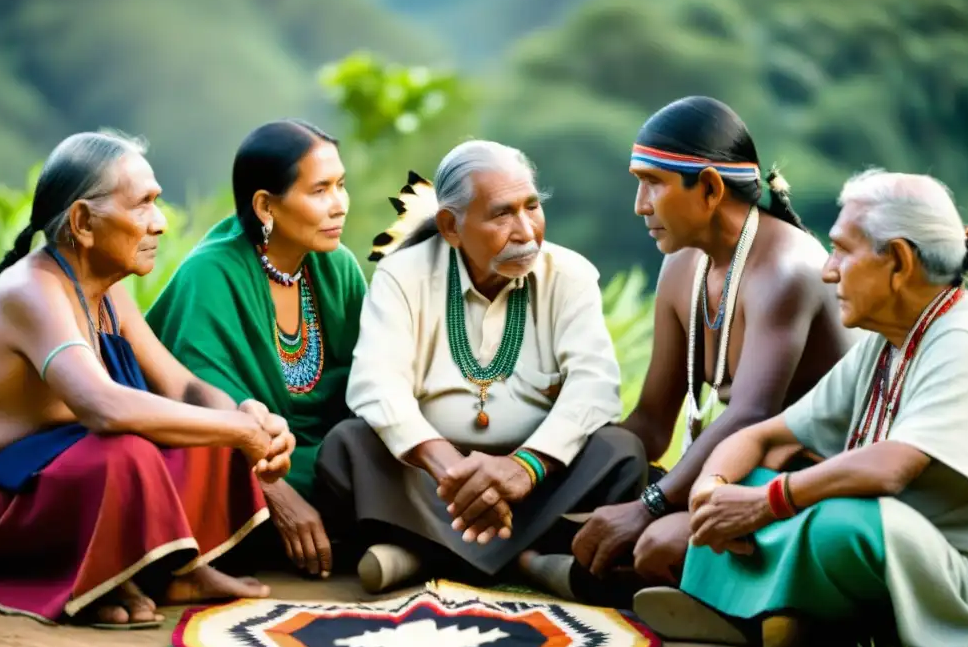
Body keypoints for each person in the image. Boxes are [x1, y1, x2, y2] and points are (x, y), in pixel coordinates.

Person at [633, 169, 968, 647]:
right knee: (766, 484)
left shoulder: (966, 338)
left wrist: (767, 504)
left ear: (897, 261)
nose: (828, 271)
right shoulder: (887, 340)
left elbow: (892, 466)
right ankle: (784, 612)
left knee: (837, 523)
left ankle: (773, 614)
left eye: (843, 251)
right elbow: (766, 437)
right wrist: (712, 489)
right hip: (893, 535)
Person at [0, 132, 295, 628]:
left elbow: (184, 387)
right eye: (144, 204)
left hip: (60, 483)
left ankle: (176, 569)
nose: (161, 223)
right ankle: (86, 578)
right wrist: (238, 432)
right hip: (2, 503)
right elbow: (102, 407)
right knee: (125, 448)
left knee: (201, 423)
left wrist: (245, 415)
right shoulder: (32, 290)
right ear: (83, 222)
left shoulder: (105, 289)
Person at [316, 140, 647, 594]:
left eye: (532, 207)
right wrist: (451, 471)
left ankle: (421, 556)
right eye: (502, 214)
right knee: (348, 446)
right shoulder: (403, 276)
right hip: (433, 481)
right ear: (451, 226)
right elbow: (377, 385)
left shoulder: (570, 276)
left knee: (620, 450)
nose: (526, 231)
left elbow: (595, 388)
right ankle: (530, 562)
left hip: (537, 481)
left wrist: (523, 468)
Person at [558, 96, 854, 596]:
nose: (640, 205)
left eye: (653, 183)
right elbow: (652, 423)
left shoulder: (786, 271)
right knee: (603, 474)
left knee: (658, 545)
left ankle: (780, 609)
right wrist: (548, 452)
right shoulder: (683, 266)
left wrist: (649, 505)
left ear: (711, 188)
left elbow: (749, 415)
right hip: (724, 472)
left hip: (805, 474)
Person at [147, 120, 366, 580]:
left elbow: (368, 385)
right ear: (266, 205)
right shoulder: (210, 275)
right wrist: (279, 494)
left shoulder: (337, 266)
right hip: (234, 468)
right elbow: (203, 418)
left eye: (341, 186)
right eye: (320, 190)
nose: (340, 205)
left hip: (321, 461)